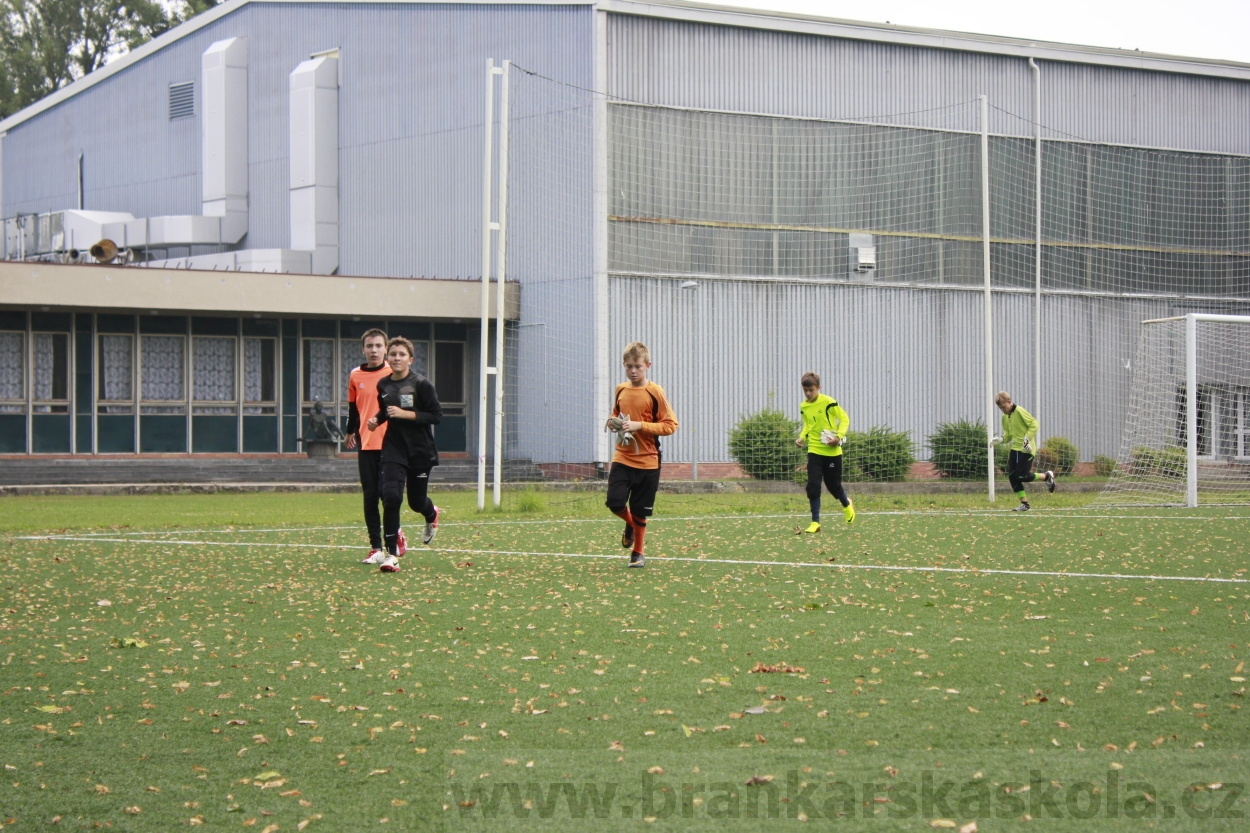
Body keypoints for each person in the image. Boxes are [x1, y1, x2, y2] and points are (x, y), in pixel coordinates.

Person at [366, 337, 442, 572]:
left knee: (416, 502)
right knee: (390, 497)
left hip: (420, 451)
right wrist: (376, 420)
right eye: (393, 354)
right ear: (388, 358)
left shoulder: (422, 384)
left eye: (401, 354)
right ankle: (392, 555)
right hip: (393, 448)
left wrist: (405, 414)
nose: (397, 358)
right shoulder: (383, 385)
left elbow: (436, 416)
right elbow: (385, 410)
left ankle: (432, 514)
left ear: (411, 359)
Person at [604, 342, 678, 568]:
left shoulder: (655, 392)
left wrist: (640, 425)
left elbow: (670, 425)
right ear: (623, 366)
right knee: (614, 502)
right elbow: (616, 412)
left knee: (639, 509)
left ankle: (638, 553)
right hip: (623, 458)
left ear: (648, 365)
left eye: (637, 366)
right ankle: (631, 525)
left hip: (648, 461)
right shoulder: (620, 389)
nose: (633, 371)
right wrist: (612, 421)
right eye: (628, 366)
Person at [345, 328, 405, 565]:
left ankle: (393, 542)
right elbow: (353, 408)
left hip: (391, 444)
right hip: (366, 444)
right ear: (363, 349)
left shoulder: (395, 373)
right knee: (370, 496)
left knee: (387, 495)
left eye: (379, 346)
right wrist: (350, 431)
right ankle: (375, 547)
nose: (374, 350)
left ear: (386, 349)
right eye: (370, 346)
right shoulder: (355, 375)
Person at [795, 372, 855, 532]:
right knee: (812, 486)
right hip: (814, 450)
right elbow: (809, 425)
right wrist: (801, 438)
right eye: (805, 390)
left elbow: (844, 419)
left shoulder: (828, 402)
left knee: (834, 486)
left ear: (818, 388)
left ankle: (847, 504)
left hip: (832, 452)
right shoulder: (804, 406)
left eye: (811, 390)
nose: (808, 393)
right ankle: (815, 522)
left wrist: (838, 437)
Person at [991, 390, 1055, 512]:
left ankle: (1046, 476)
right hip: (1015, 448)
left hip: (1027, 449)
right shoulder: (1005, 417)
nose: (1003, 410)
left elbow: (1034, 424)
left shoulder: (1019, 411)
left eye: (1004, 407)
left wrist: (1027, 438)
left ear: (1009, 402)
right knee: (1012, 476)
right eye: (1000, 408)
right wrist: (1000, 439)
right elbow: (1009, 434)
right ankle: (1024, 504)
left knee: (1021, 475)